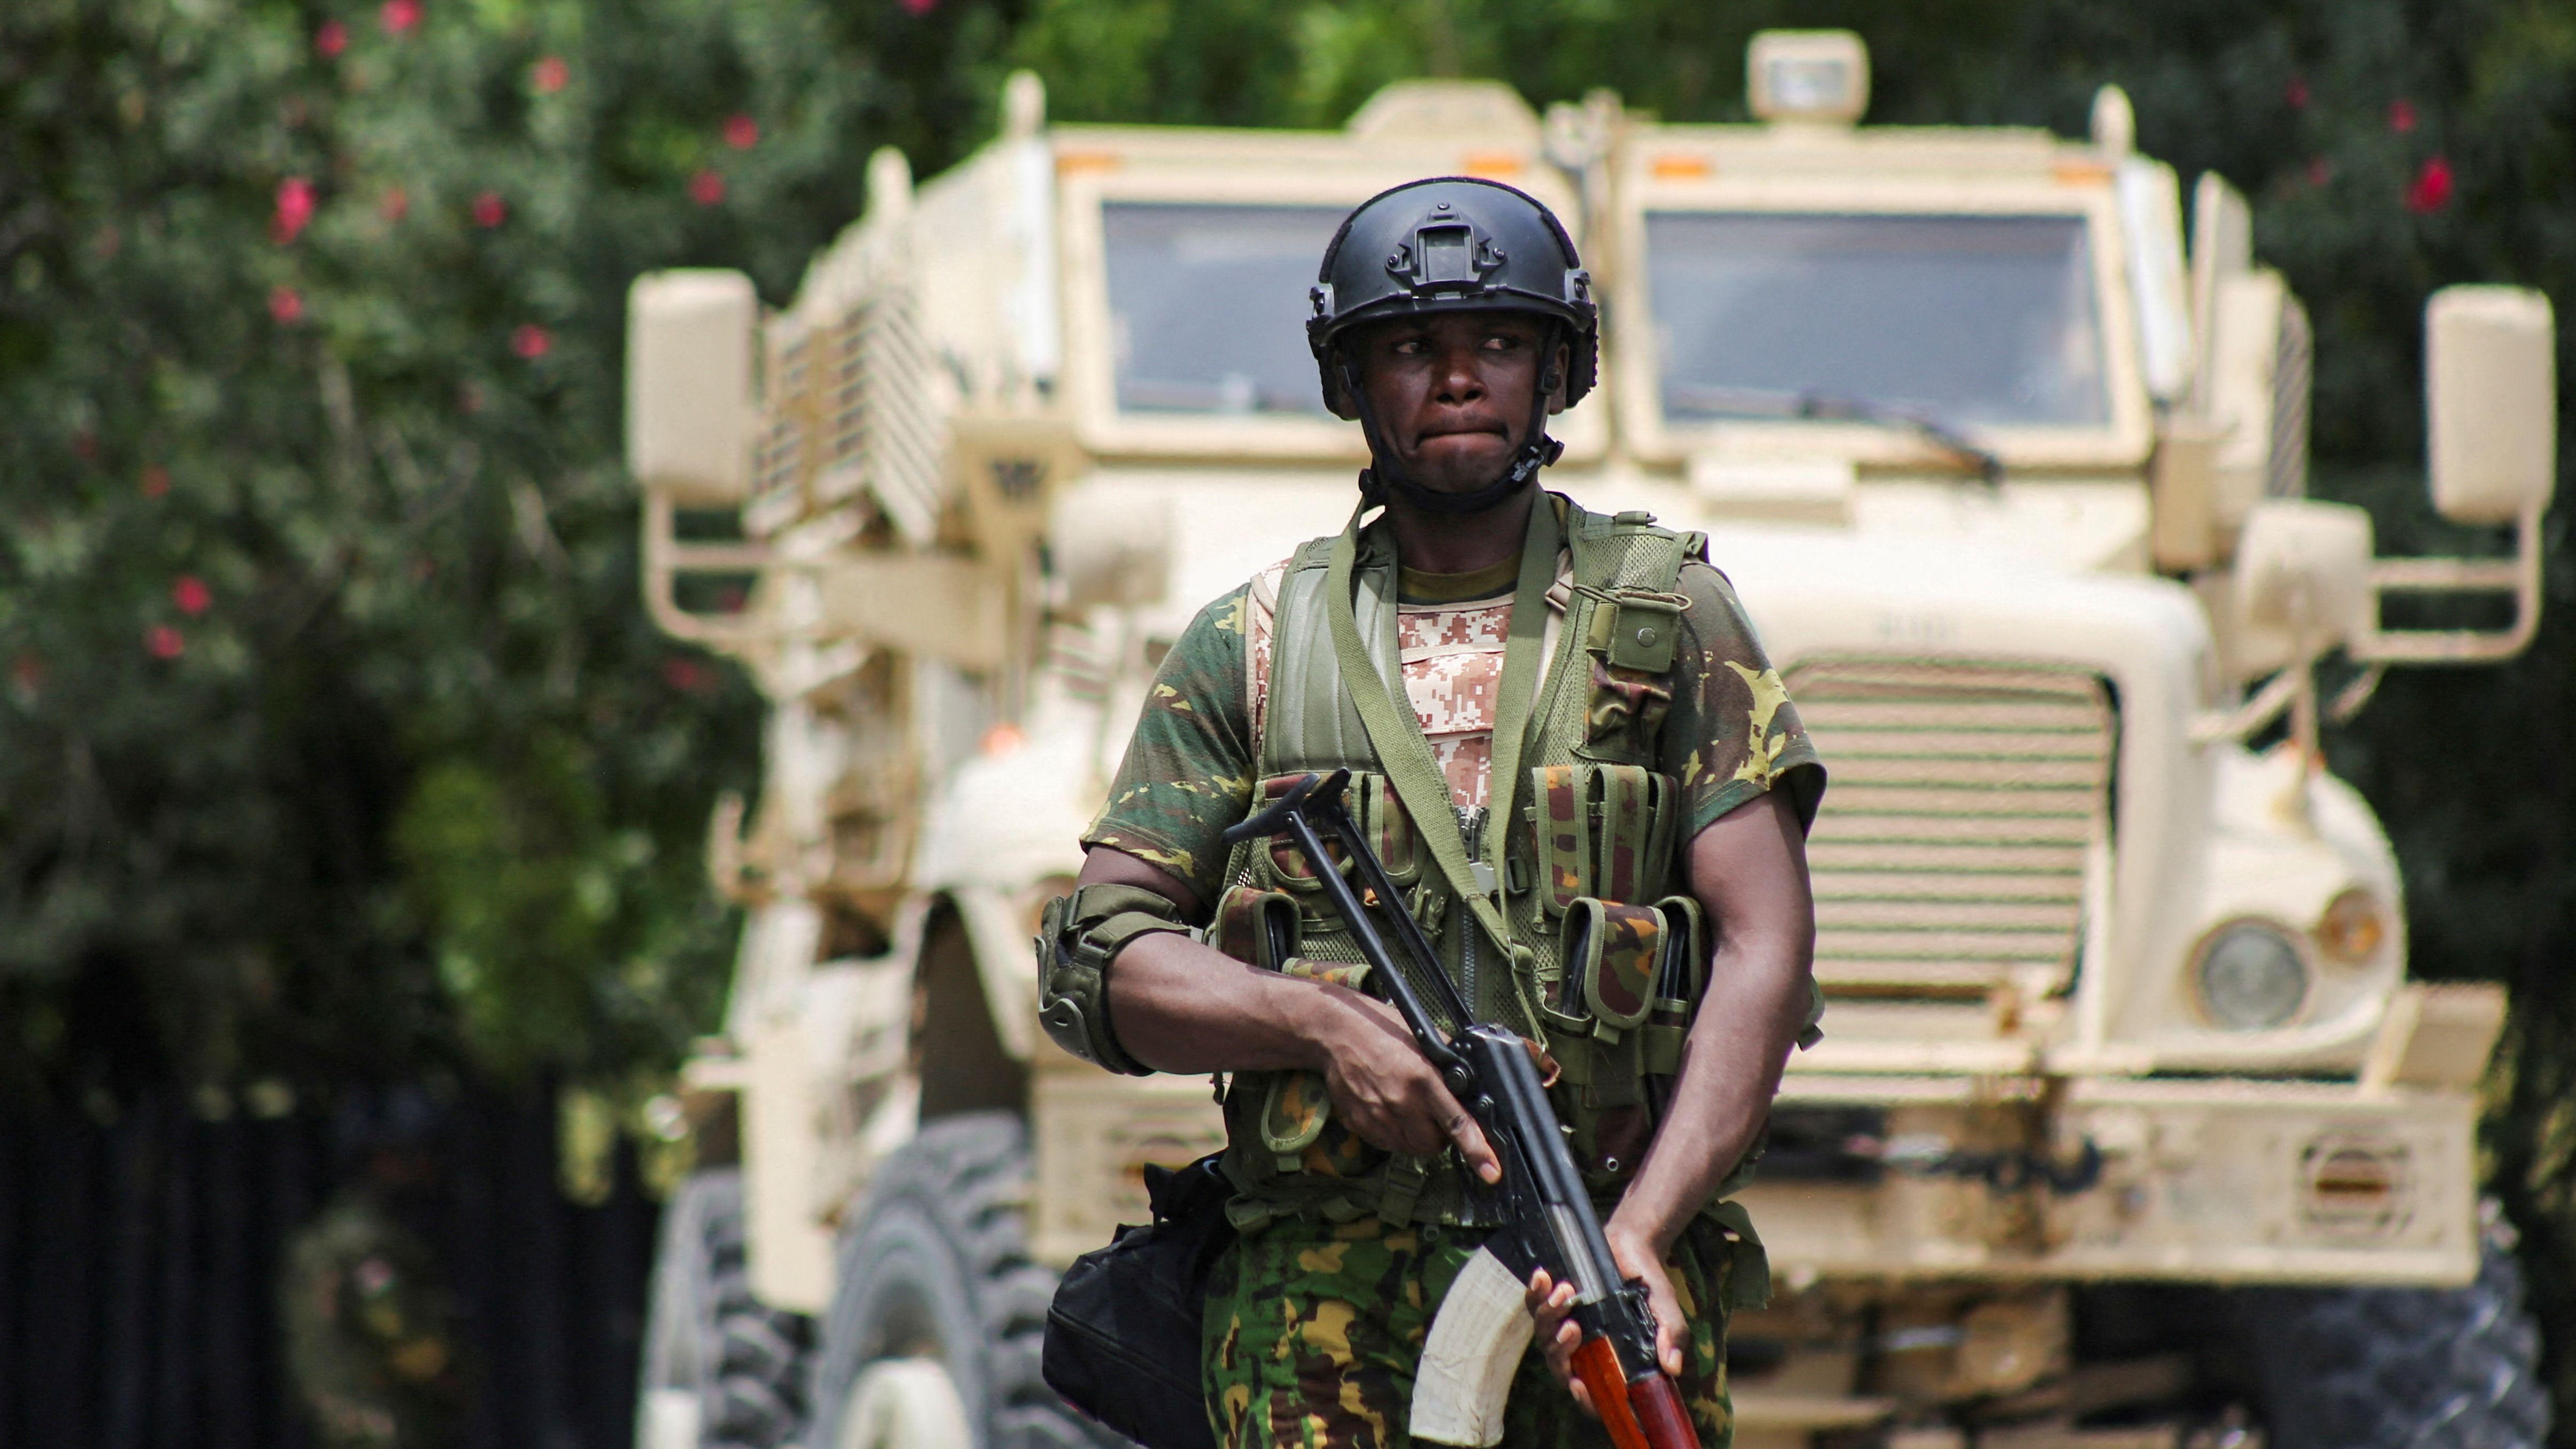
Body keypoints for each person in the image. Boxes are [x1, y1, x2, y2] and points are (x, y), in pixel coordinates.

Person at [1039, 175, 1825, 1448]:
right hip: (1319, 1301)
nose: (1458, 379)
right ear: (1353, 380)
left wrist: (1641, 1231)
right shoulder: (1250, 644)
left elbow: (1767, 945)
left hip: (1607, 1265)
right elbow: (1100, 956)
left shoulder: (1669, 619)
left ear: (1555, 369)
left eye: (1498, 343)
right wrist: (1314, 1023)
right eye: (1412, 347)